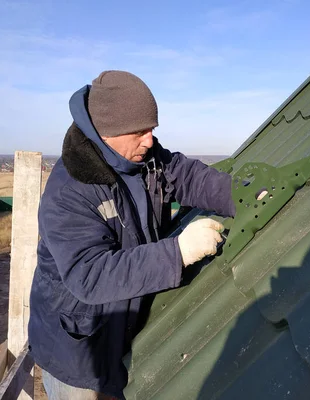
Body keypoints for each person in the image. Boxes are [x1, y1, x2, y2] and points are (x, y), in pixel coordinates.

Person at [28, 71, 236, 399]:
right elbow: (91, 275)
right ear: (106, 132)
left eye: (152, 129)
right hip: (80, 353)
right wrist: (178, 252)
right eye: (140, 132)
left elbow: (188, 177)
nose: (150, 141)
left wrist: (239, 196)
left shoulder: (143, 157)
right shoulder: (69, 192)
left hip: (124, 327)